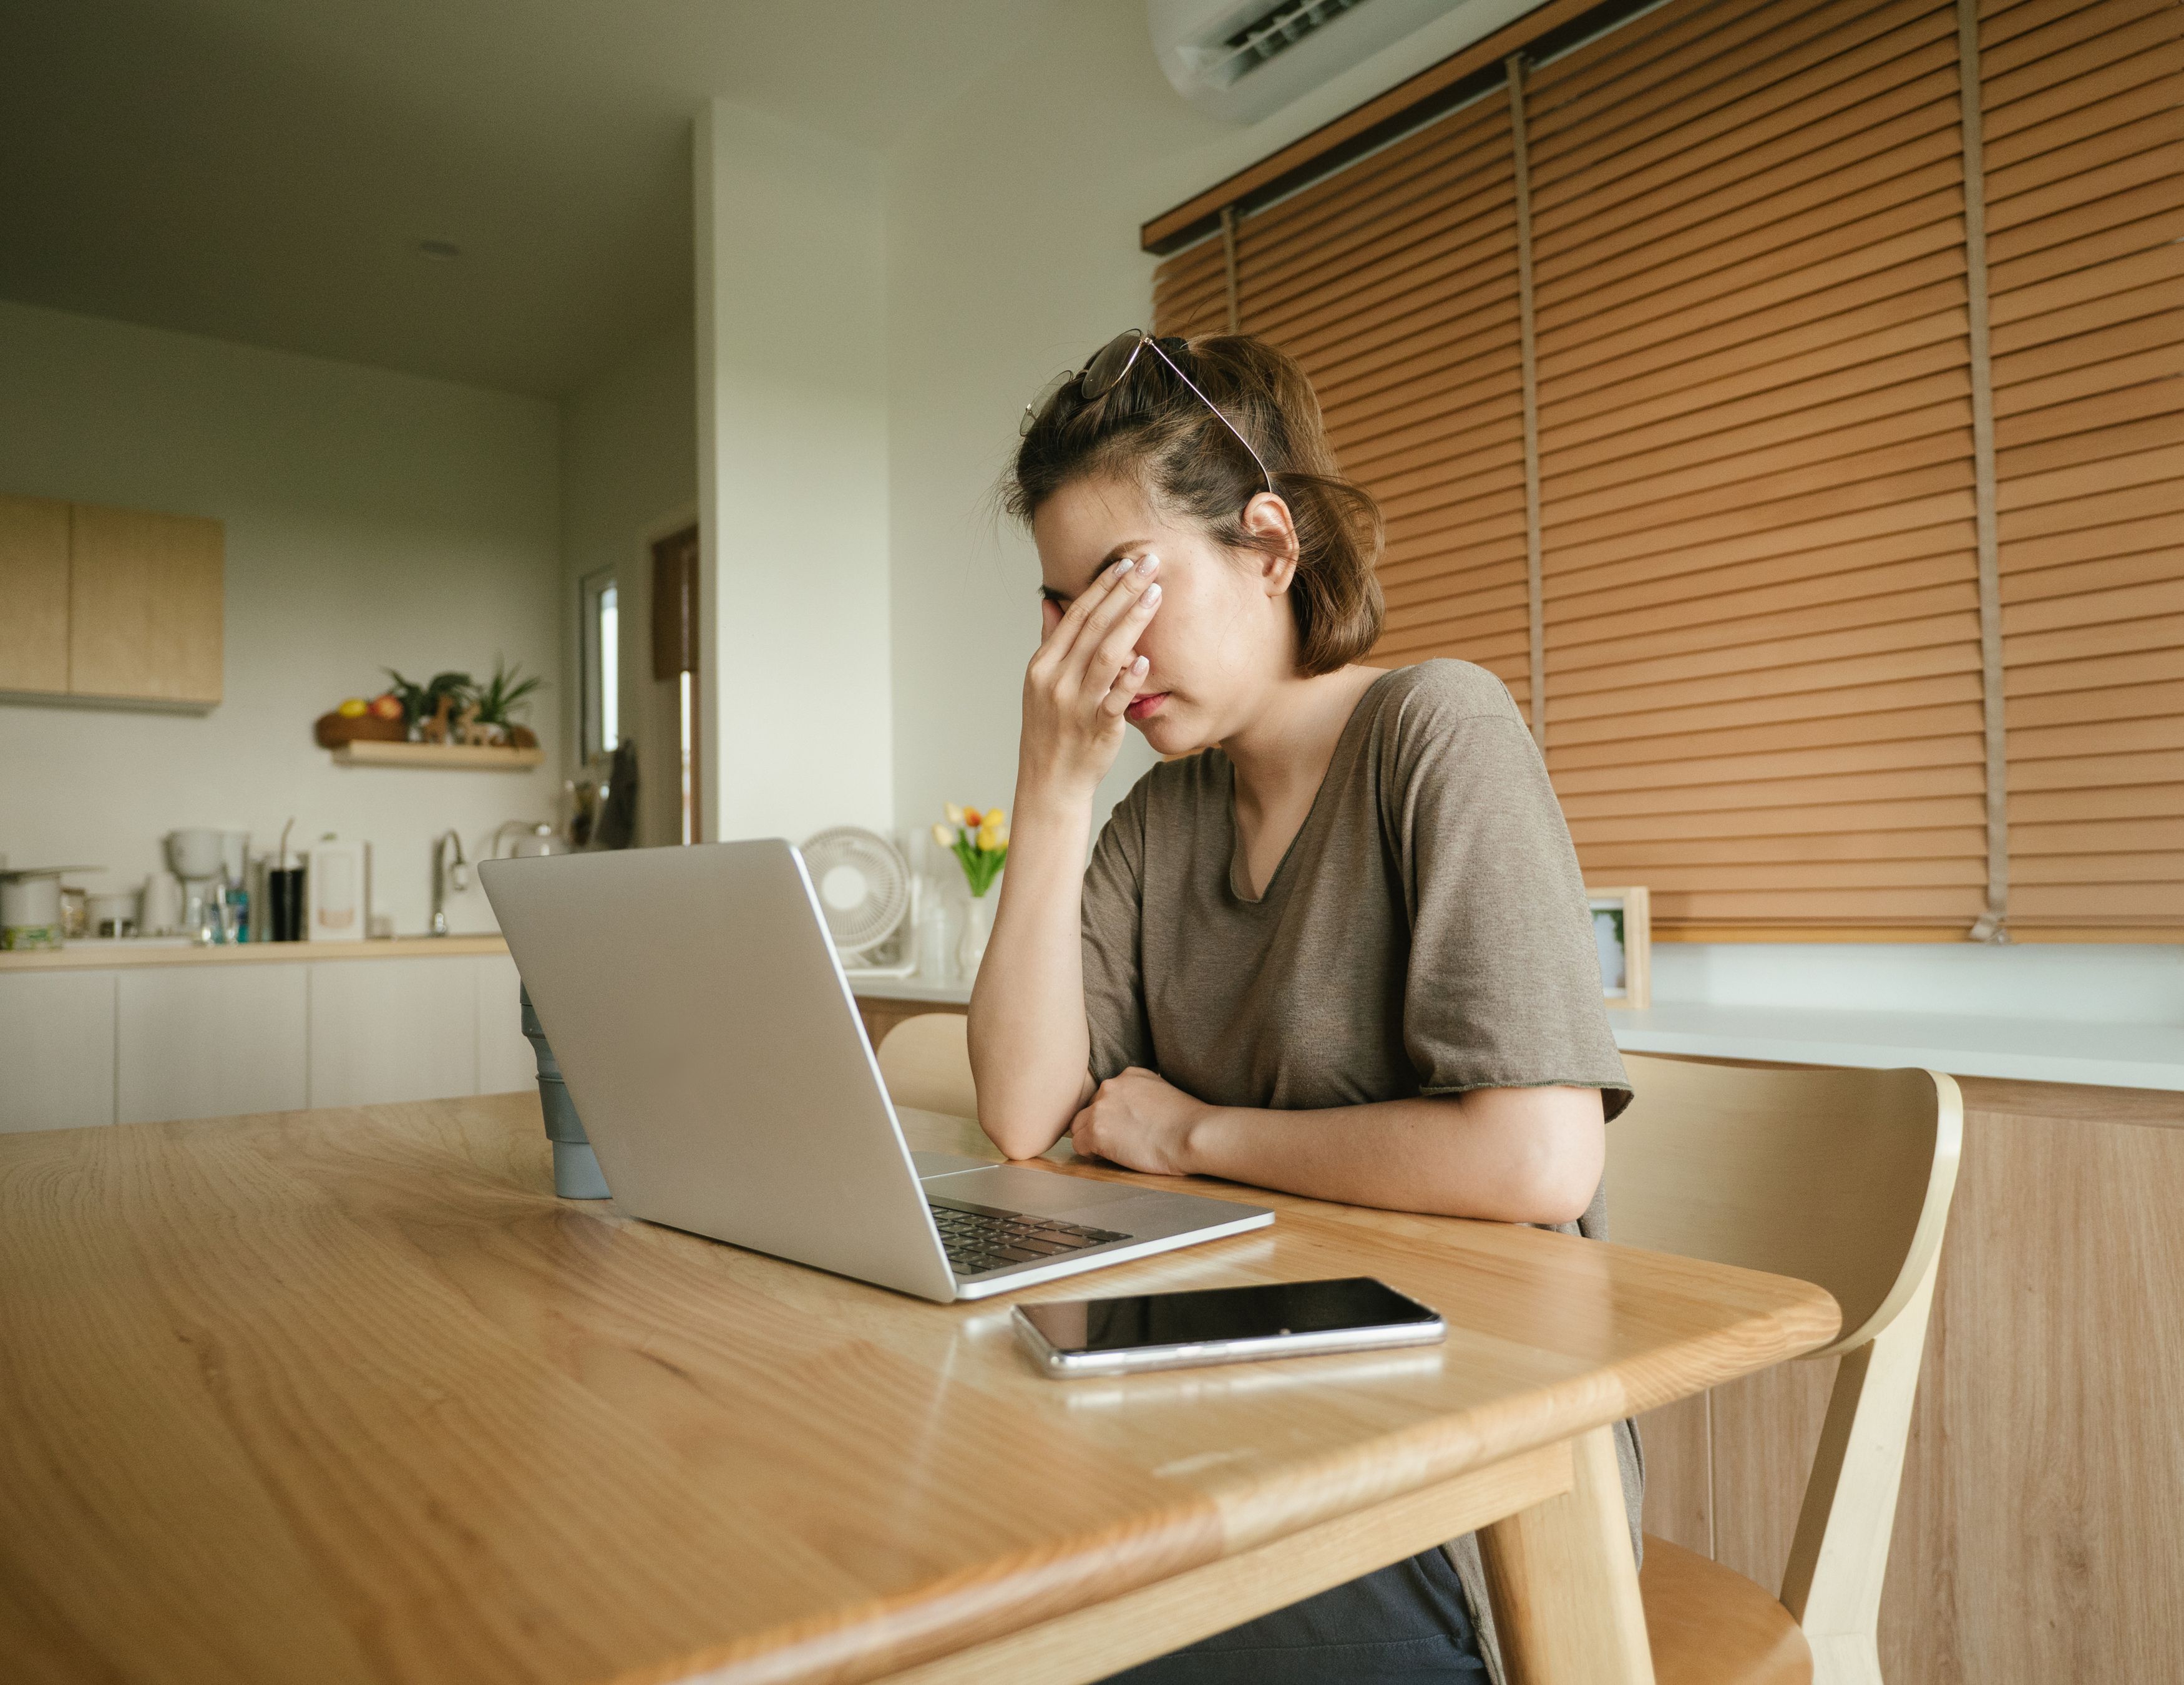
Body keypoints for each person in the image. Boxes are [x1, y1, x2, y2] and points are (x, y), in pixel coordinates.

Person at [968, 329, 1640, 1684]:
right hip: (1223, 1416)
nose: (1092, 648)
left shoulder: (1436, 729)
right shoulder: (1163, 815)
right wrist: (1051, 789)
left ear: (1270, 550)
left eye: (1120, 587)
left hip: (1456, 1488)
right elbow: (1026, 1111)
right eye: (1058, 606)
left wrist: (1191, 1135)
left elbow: (1535, 1157)